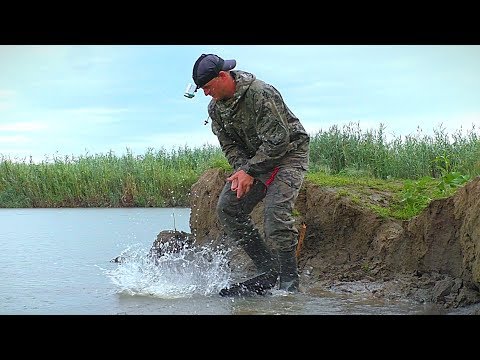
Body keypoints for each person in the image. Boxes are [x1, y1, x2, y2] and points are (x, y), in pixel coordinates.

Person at [191, 53, 310, 296]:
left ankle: (289, 286)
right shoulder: (215, 108)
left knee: (275, 218)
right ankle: (268, 269)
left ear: (223, 76)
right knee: (228, 208)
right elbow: (229, 146)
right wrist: (242, 170)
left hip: (289, 156)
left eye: (208, 87)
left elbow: (278, 142)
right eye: (202, 89)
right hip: (255, 162)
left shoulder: (261, 93)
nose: (205, 93)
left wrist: (249, 170)